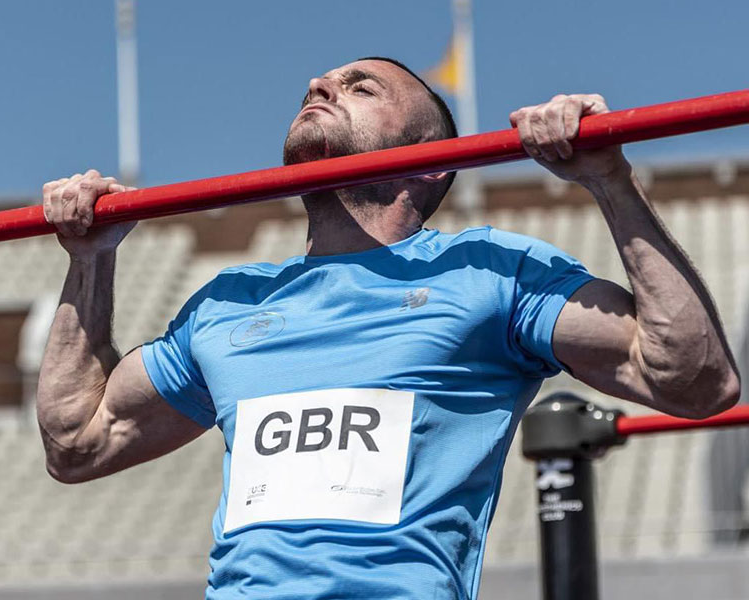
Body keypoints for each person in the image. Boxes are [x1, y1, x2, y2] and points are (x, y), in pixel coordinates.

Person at [36, 57, 740, 599]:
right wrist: (90, 261)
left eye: (360, 87)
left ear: (427, 163)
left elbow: (695, 380)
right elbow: (78, 443)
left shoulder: (489, 274)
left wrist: (608, 178)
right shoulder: (229, 304)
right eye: (319, 82)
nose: (320, 83)